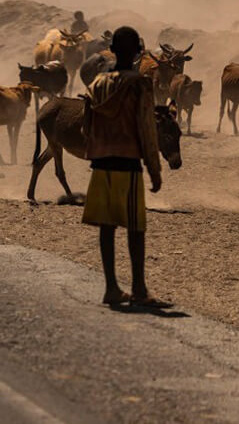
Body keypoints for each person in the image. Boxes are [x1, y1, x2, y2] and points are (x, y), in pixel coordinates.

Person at [81, 25, 169, 308]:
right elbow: (147, 128)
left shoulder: (97, 85)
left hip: (101, 163)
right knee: (135, 226)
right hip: (128, 163)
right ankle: (139, 289)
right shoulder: (140, 84)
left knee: (107, 226)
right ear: (138, 52)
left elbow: (86, 127)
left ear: (113, 51)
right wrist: (154, 169)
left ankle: (111, 288)